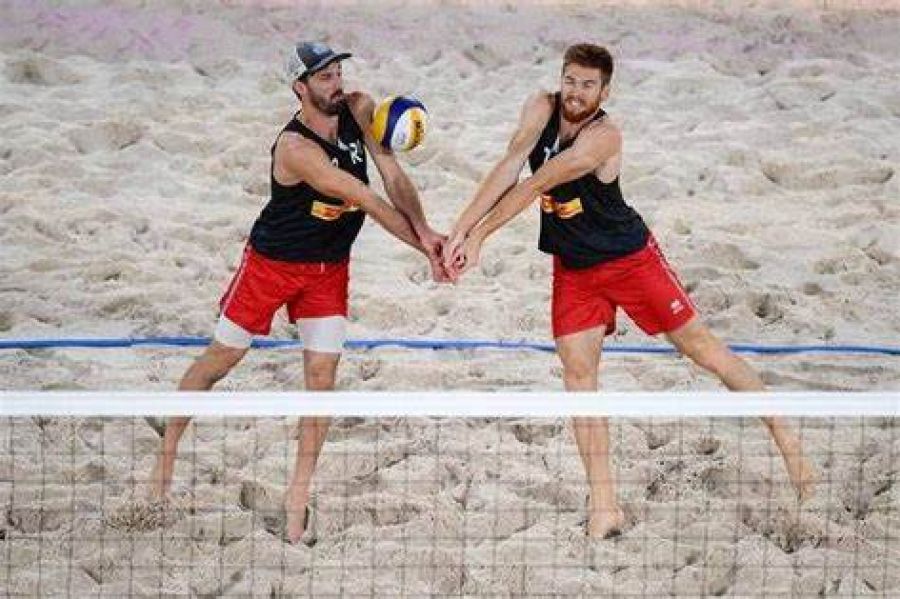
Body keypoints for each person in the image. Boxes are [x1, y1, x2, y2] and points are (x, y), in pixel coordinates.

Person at [443, 43, 817, 539]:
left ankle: (789, 443)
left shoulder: (604, 136)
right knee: (579, 384)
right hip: (575, 269)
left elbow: (536, 184)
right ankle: (604, 508)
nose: (576, 92)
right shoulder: (540, 106)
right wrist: (458, 231)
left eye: (587, 85)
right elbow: (511, 163)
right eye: (570, 81)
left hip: (629, 261)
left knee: (702, 349)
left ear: (604, 90)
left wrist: (480, 237)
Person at [149, 41, 448, 544]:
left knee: (321, 378)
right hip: (272, 266)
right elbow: (368, 200)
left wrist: (427, 230)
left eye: (336, 71)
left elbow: (392, 175)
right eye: (323, 76)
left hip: (328, 270)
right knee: (220, 360)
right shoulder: (296, 149)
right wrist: (427, 251)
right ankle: (164, 462)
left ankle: (296, 500)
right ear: (300, 88)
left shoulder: (358, 108)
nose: (336, 82)